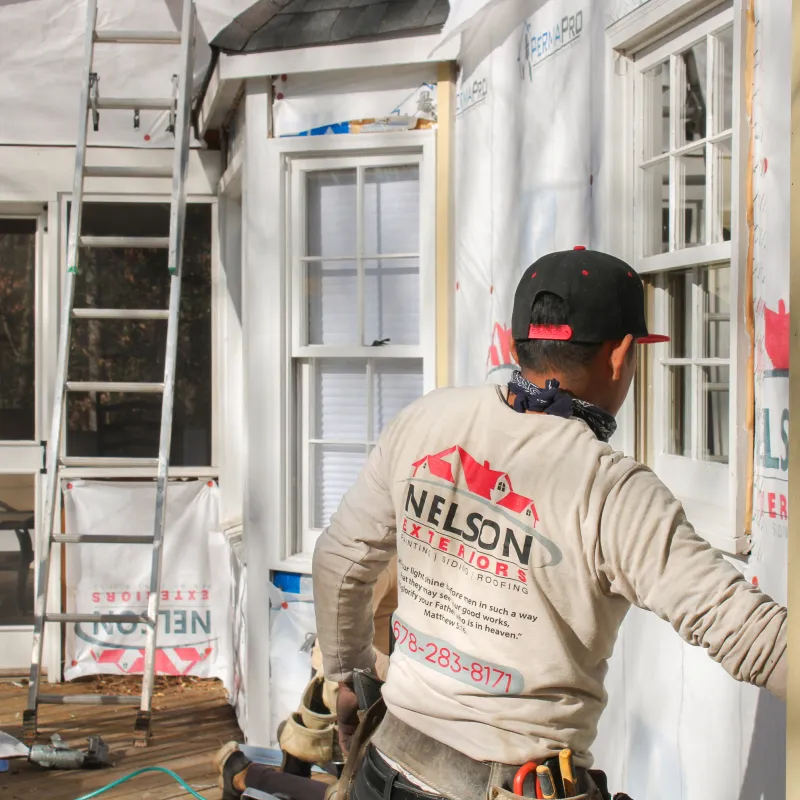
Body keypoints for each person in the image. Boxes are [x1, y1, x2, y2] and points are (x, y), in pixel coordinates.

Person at [311, 248, 787, 800]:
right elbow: (756, 638)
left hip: (387, 766)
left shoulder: (426, 421)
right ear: (622, 356)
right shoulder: (610, 491)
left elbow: (341, 560)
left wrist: (348, 676)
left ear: (518, 345)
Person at [215, 559, 398, 800]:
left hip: (373, 688)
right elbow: (343, 631)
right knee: (357, 793)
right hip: (354, 688)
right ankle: (246, 773)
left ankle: (295, 750)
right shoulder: (386, 555)